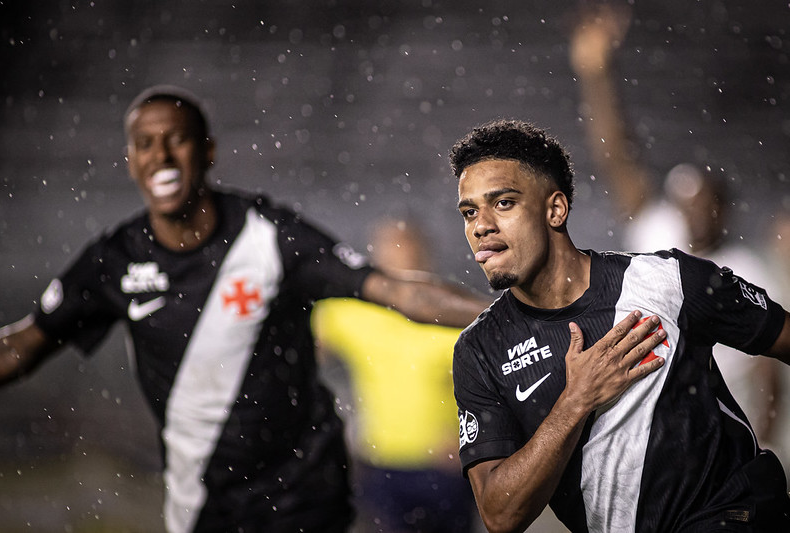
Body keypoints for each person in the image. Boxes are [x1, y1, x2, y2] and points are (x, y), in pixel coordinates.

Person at [0, 85, 489, 533]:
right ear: (130, 160)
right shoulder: (116, 261)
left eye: (177, 139)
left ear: (207, 151)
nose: (161, 155)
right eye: (145, 143)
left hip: (305, 495)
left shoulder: (270, 237)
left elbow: (401, 293)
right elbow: (21, 346)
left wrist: (510, 312)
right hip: (201, 504)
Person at [449, 119, 790, 532]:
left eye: (503, 203)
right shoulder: (479, 349)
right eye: (469, 212)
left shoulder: (668, 281)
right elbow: (501, 516)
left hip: (735, 514)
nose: (480, 225)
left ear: (555, 210)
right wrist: (576, 401)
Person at [569, 3, 786, 454]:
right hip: (654, 417)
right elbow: (616, 156)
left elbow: (768, 368)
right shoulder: (658, 233)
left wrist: (765, 440)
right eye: (688, 203)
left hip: (722, 425)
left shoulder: (745, 268)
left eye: (707, 203)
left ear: (724, 209)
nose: (697, 214)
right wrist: (596, 73)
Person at [311, 217, 477, 533]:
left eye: (406, 248)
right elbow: (296, 346)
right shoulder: (352, 313)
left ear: (424, 254)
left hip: (442, 465)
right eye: (390, 249)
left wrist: (471, 439)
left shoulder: (450, 313)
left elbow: (499, 386)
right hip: (380, 464)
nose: (399, 257)